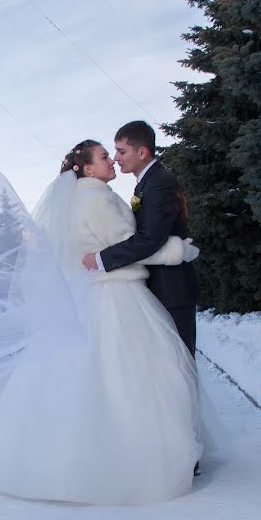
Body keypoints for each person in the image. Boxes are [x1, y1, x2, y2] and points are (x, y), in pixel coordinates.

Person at [0, 140, 204, 506]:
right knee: (137, 376)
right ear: (88, 169)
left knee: (87, 375)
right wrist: (179, 250)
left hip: (93, 294)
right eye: (104, 156)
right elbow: (132, 246)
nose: (112, 161)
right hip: (115, 295)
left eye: (113, 154)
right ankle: (128, 461)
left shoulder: (79, 199)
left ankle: (56, 460)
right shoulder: (97, 199)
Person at [82, 121, 198, 357]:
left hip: (171, 291)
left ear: (142, 152)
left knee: (178, 368)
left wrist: (101, 258)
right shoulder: (147, 184)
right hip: (159, 289)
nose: (115, 158)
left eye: (121, 151)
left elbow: (149, 240)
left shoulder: (160, 183)